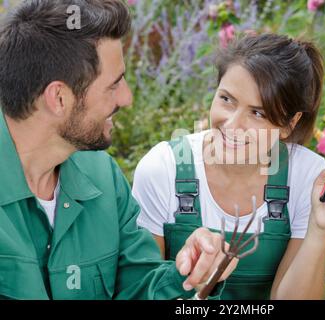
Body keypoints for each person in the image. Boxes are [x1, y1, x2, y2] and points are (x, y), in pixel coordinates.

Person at [0, 0, 236, 300]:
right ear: (59, 98)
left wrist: (190, 276)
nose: (127, 99)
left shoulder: (103, 177)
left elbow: (137, 288)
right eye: (114, 84)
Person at [132, 33, 325, 300]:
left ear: (289, 124)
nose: (232, 125)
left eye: (258, 113)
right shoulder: (164, 167)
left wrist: (320, 229)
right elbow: (140, 289)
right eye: (226, 99)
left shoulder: (304, 174)